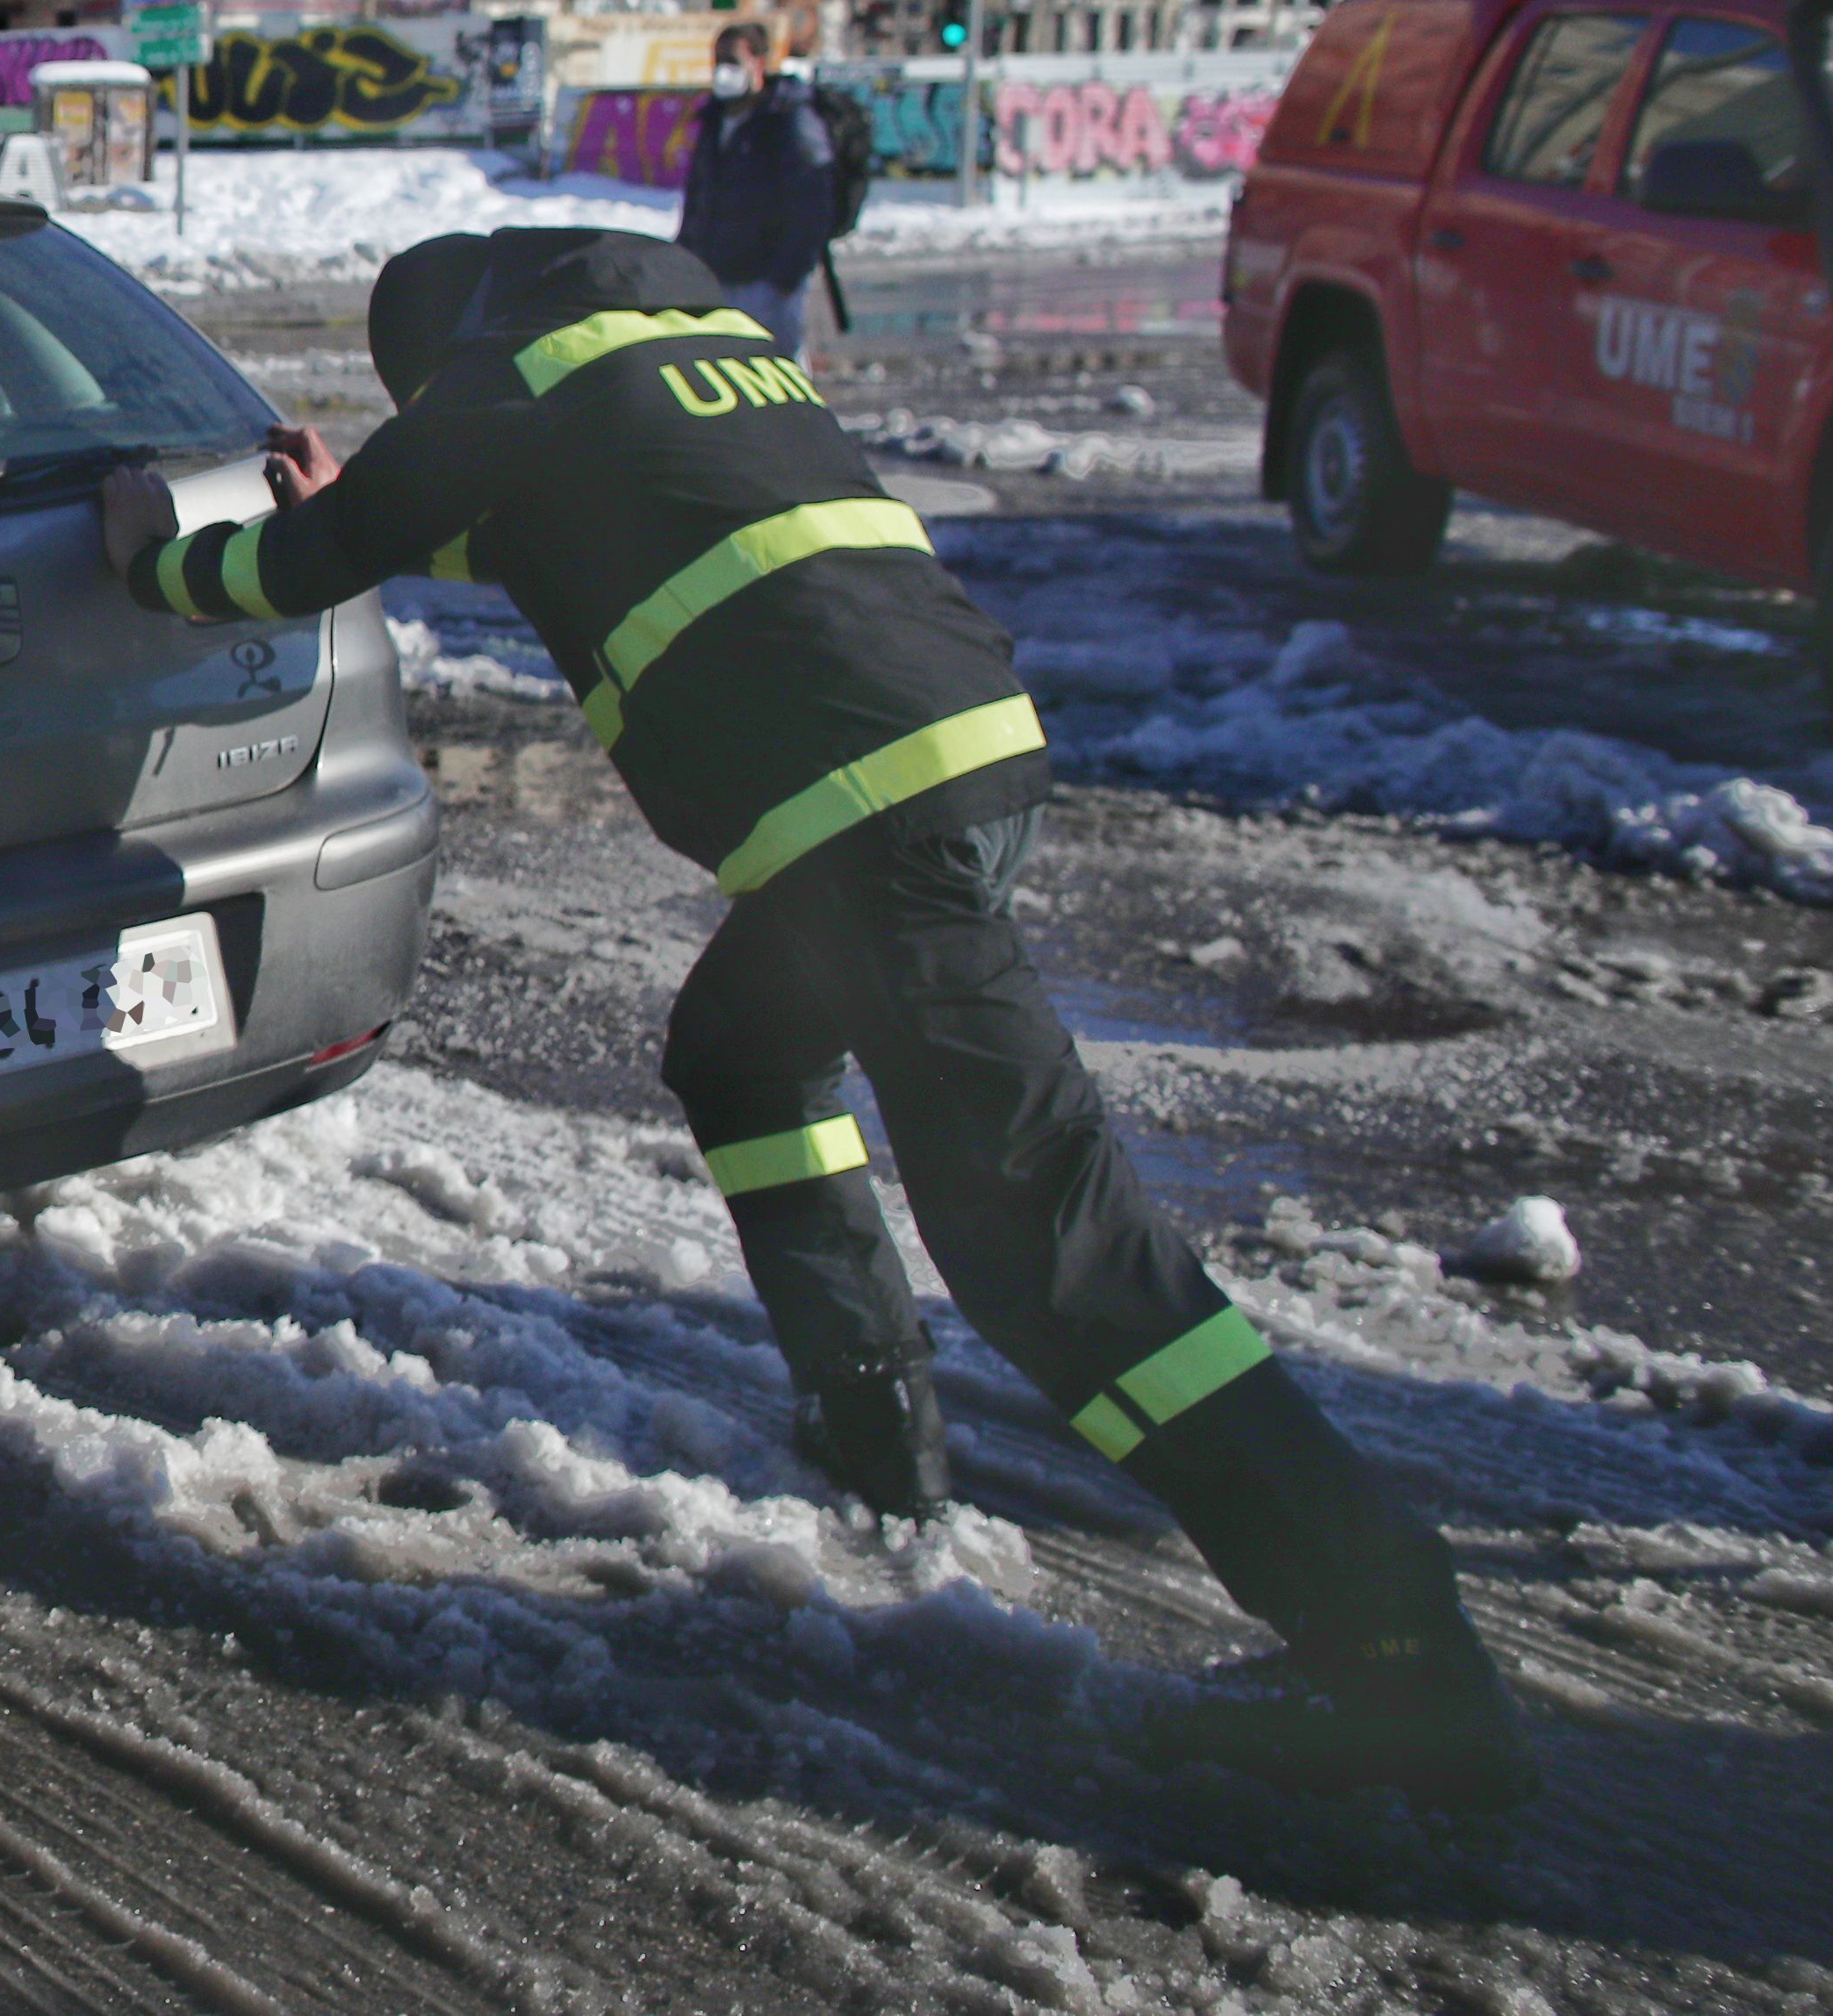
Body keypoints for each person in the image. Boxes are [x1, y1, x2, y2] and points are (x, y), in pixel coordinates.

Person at [97, 226, 1532, 1809]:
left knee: (1058, 1252)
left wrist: (153, 562)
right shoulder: (683, 342)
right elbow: (554, 528)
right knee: (740, 1049)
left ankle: (1390, 1644)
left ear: (438, 349)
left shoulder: (507, 371)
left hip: (863, 832)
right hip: (959, 759)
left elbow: (302, 567)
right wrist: (372, 489)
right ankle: (871, 1425)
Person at [672, 23, 836, 358]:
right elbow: (700, 198)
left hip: (765, 284)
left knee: (780, 382)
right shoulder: (714, 120)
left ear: (759, 63)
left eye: (732, 60)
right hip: (715, 279)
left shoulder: (788, 120)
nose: (722, 70)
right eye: (717, 60)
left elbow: (813, 204)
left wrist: (783, 280)